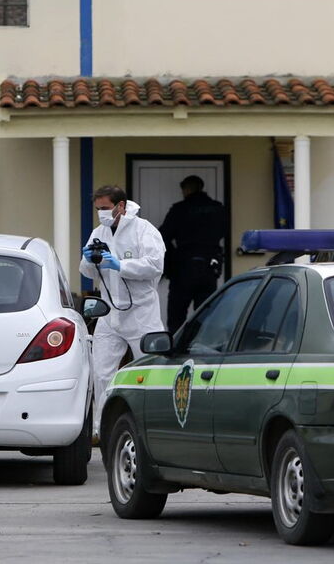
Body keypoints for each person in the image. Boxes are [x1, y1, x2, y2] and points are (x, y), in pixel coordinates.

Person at [80, 185, 165, 438]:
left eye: (105, 208)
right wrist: (88, 260)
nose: (101, 214)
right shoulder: (99, 231)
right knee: (101, 372)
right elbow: (87, 271)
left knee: (150, 369)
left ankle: (152, 427)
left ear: (121, 206)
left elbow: (154, 265)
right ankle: (101, 429)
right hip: (109, 313)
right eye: (98, 209)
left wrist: (120, 265)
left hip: (141, 313)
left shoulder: (144, 230)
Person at [158, 175, 227, 333]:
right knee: (205, 311)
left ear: (187, 189)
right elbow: (223, 231)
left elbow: (163, 235)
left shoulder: (179, 209)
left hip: (183, 266)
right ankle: (202, 344)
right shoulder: (217, 208)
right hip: (210, 265)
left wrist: (170, 258)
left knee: (177, 313)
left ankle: (175, 346)